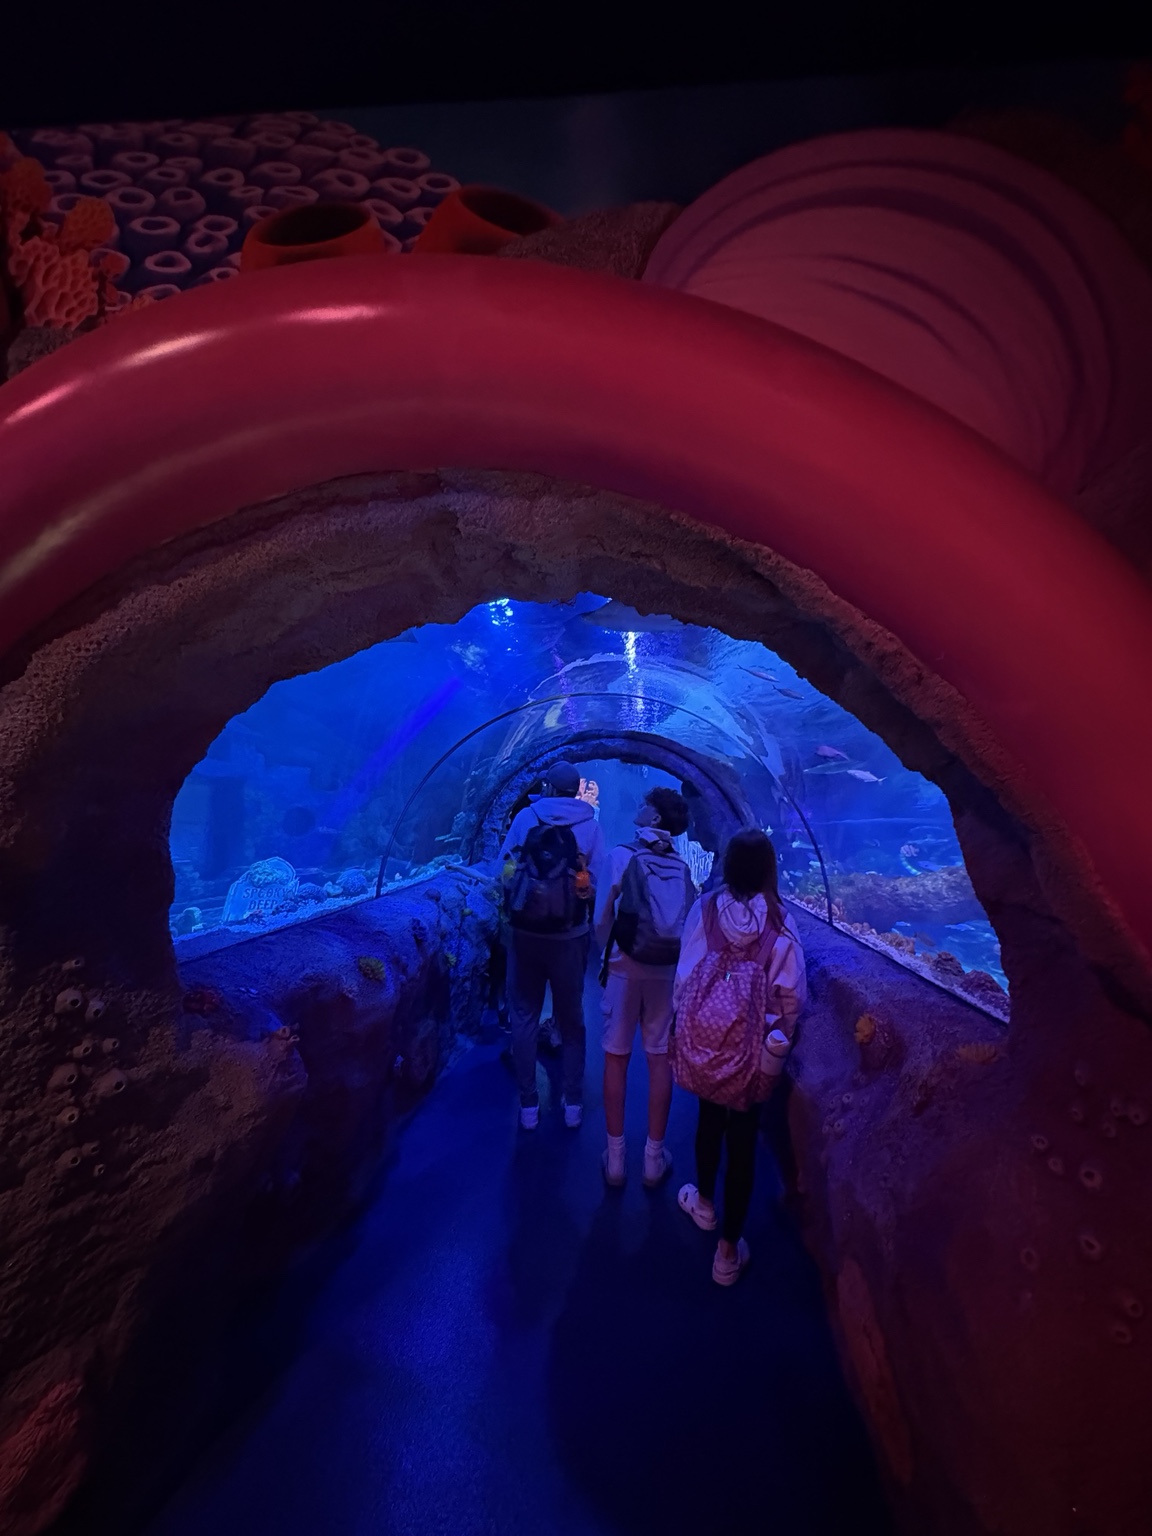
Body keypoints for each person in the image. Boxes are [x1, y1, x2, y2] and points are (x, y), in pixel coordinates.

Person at [671, 829, 806, 1286]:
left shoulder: (706, 909)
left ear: (727, 865)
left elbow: (685, 977)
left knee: (709, 1120)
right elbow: (791, 998)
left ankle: (704, 1204)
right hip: (751, 1056)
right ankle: (728, 1253)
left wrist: (686, 1026)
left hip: (707, 1046)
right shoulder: (781, 924)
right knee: (744, 1141)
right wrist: (775, 1043)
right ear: (770, 870)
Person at [595, 787, 695, 1188]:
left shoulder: (621, 856)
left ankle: (616, 1159)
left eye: (645, 804)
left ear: (654, 819)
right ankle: (654, 1160)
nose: (639, 807)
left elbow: (601, 917)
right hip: (665, 972)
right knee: (659, 1060)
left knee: (616, 1057)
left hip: (624, 967)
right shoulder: (682, 866)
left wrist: (606, 954)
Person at [499, 760, 605, 1131]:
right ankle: (572, 1103)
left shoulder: (526, 818)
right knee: (572, 1020)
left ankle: (529, 1106)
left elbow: (504, 871)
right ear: (576, 791)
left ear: (547, 787)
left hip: (526, 934)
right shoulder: (590, 825)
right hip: (570, 936)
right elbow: (599, 881)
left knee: (524, 1015)